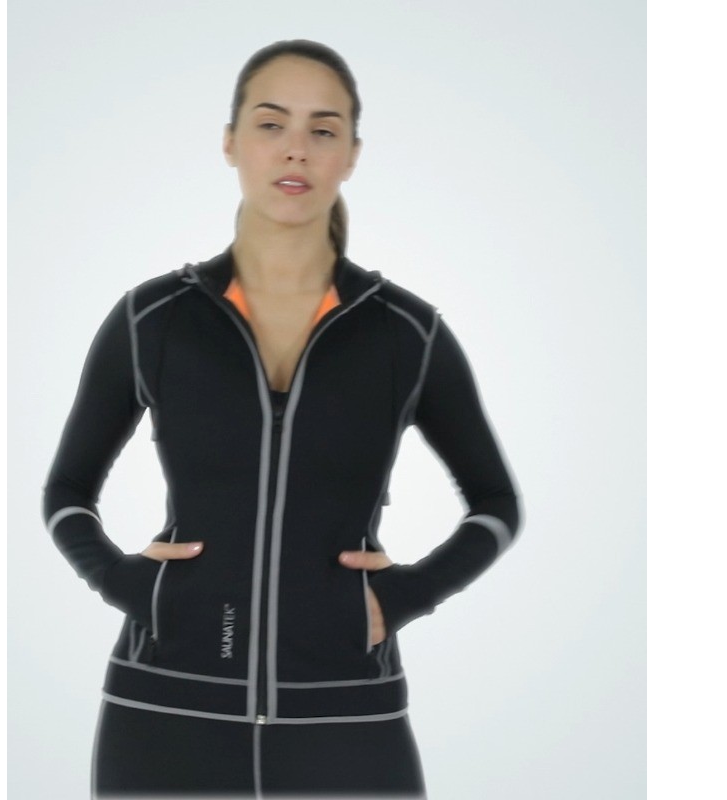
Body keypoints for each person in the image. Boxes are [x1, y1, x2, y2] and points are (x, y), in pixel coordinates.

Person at [41, 38, 523, 799]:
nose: (296, 148)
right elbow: (68, 490)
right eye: (271, 124)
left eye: (323, 129)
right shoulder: (154, 320)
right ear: (231, 141)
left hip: (344, 716)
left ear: (351, 155)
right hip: (165, 713)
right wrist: (124, 583)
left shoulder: (405, 333)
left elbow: (495, 503)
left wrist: (405, 596)